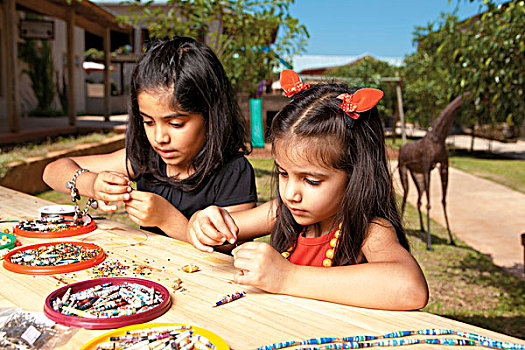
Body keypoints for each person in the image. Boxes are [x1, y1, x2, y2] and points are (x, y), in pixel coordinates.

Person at [186, 70, 429, 310]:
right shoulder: (280, 213)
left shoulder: (369, 229)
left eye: (311, 181)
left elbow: (410, 288)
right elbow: (221, 231)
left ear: (355, 176)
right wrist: (202, 222)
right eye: (283, 173)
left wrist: (287, 277)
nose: (291, 193)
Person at [43, 37, 257, 240]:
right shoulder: (146, 157)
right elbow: (52, 171)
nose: (159, 138)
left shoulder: (233, 172)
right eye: (148, 122)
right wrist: (91, 183)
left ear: (211, 116)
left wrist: (166, 218)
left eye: (175, 124)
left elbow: (226, 244)